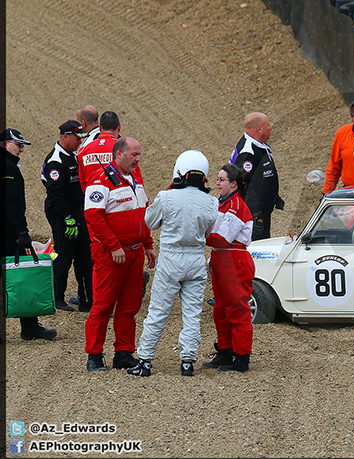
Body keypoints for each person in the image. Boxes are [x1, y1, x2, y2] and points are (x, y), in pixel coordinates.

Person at [128, 151, 218, 377]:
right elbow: (208, 231)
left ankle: (145, 361)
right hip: (196, 260)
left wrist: (168, 192)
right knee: (192, 314)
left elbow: (150, 221)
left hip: (170, 259)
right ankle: (187, 361)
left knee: (158, 312)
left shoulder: (166, 197)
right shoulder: (211, 202)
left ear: (180, 172)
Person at [83, 137, 156, 372]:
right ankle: (94, 355)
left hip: (134, 254)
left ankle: (123, 353)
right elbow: (93, 217)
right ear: (118, 155)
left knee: (129, 305)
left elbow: (142, 214)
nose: (138, 159)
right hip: (111, 254)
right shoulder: (101, 180)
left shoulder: (135, 179)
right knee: (103, 305)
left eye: (139, 155)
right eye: (134, 155)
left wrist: (147, 244)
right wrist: (114, 246)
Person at [1, 128, 57, 340]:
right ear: (6, 143)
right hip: (7, 235)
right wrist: (22, 233)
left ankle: (30, 326)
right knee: (21, 277)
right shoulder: (8, 167)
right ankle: (30, 326)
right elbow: (13, 205)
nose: (22, 149)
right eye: (19, 145)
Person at [202, 163, 255, 373]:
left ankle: (242, 357)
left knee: (237, 309)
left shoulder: (236, 205)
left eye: (221, 180)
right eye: (217, 179)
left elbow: (223, 239)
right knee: (221, 309)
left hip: (234, 259)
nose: (217, 183)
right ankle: (226, 351)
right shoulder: (221, 203)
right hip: (221, 259)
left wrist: (197, 236)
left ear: (233, 184)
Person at [41, 120, 92, 312]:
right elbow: (55, 195)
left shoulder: (73, 156)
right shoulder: (56, 161)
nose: (80, 142)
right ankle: (56, 298)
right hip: (62, 214)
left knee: (84, 255)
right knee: (64, 255)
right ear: (65, 137)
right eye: (77, 138)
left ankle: (86, 299)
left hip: (78, 211)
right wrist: (67, 217)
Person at [228, 112, 283, 241]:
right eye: (268, 126)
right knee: (256, 247)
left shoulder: (260, 146)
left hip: (262, 211)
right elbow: (242, 184)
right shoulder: (248, 152)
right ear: (259, 128)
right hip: (253, 214)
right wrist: (254, 213)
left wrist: (274, 197)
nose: (270, 128)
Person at [77, 111, 121, 192]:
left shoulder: (83, 149)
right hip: (118, 198)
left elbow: (82, 181)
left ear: (100, 127)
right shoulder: (124, 148)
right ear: (119, 127)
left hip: (93, 197)